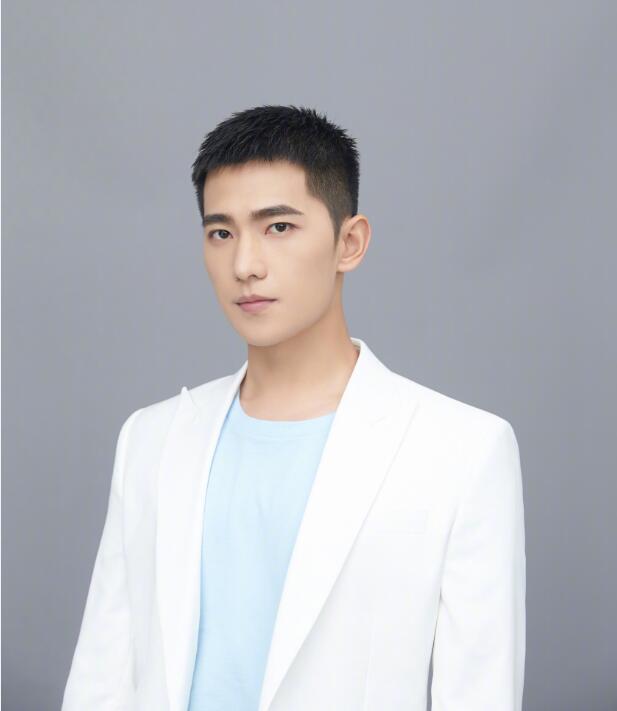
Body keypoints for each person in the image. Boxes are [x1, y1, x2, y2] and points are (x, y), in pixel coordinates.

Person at [62, 105, 526, 711]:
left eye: (278, 227)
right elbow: (101, 679)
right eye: (221, 233)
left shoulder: (461, 451)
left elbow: (479, 691)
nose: (244, 265)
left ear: (349, 243)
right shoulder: (150, 439)